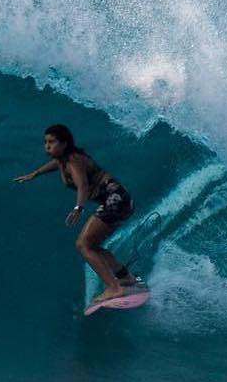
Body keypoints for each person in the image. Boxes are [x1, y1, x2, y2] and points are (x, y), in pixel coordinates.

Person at [14, 124, 141, 305]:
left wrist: (78, 208)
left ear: (64, 144)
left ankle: (114, 288)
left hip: (115, 200)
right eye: (45, 142)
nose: (47, 146)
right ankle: (125, 277)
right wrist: (35, 173)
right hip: (119, 199)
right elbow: (54, 165)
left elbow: (82, 185)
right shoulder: (63, 159)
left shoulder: (73, 160)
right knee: (92, 246)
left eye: (52, 142)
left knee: (83, 244)